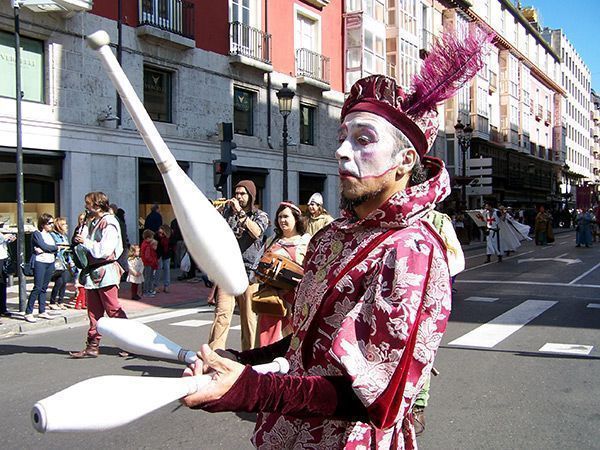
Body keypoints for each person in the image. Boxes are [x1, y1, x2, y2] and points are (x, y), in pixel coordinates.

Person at [182, 59, 483, 445]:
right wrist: (242, 362)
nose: (341, 151)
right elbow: (305, 343)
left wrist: (251, 390)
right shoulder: (332, 237)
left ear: (405, 161)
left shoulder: (412, 250)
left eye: (363, 140)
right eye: (342, 136)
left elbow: (377, 398)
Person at [208, 180, 269, 351]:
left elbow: (256, 232)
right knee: (222, 315)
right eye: (236, 193)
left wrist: (241, 213)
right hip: (227, 271)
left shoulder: (260, 215)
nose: (238, 197)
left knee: (249, 318)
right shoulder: (227, 213)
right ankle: (214, 355)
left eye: (242, 194)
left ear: (251, 196)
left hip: (249, 273)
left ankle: (249, 356)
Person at [70, 191, 127, 358]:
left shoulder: (109, 222)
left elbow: (105, 250)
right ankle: (92, 345)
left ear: (97, 205)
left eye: (88, 203)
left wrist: (85, 242)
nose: (86, 207)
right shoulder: (94, 222)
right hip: (93, 271)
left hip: (106, 269)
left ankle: (128, 341)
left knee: (112, 308)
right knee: (94, 311)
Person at [254, 201, 310, 347]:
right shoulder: (272, 241)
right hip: (272, 300)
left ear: (296, 218)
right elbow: (257, 267)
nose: (282, 220)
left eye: (286, 216)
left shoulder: (307, 241)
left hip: (297, 300)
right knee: (268, 341)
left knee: (293, 341)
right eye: (279, 217)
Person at [25, 213, 58, 323]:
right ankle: (28, 312)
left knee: (44, 288)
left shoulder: (51, 235)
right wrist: (49, 249)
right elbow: (43, 245)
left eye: (52, 223)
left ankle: (42, 310)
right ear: (43, 224)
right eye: (49, 223)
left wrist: (49, 249)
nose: (51, 225)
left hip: (50, 262)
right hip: (40, 262)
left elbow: (55, 248)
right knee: (37, 287)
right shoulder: (37, 234)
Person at [49, 217, 73, 310]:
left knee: (64, 282)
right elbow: (55, 247)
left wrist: (70, 261)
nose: (66, 226)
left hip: (64, 261)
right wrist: (62, 247)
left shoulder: (64, 236)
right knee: (59, 282)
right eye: (63, 224)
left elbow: (67, 250)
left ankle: (60, 301)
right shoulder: (53, 235)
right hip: (58, 261)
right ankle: (52, 301)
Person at [71, 211, 88, 310]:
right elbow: (72, 241)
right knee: (81, 282)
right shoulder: (78, 229)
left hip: (85, 253)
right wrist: (75, 240)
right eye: (80, 219)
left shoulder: (88, 229)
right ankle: (79, 303)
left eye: (83, 219)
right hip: (79, 255)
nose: (82, 221)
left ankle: (84, 302)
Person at [0, 231, 16, 321]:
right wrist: (4, 237)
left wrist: (8, 240)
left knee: (2, 284)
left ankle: (3, 309)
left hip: (3, 257)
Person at [141, 229, 158, 297]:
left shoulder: (144, 244)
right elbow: (147, 256)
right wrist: (152, 261)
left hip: (146, 263)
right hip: (148, 264)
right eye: (151, 237)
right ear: (148, 238)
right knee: (148, 278)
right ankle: (146, 291)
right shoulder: (147, 246)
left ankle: (146, 290)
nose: (152, 239)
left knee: (147, 277)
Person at [156, 224, 173, 293]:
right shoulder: (157, 236)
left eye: (162, 233)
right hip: (159, 254)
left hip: (166, 254)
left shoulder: (169, 237)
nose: (160, 234)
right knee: (159, 269)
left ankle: (166, 286)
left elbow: (172, 243)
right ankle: (155, 285)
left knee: (166, 269)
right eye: (160, 232)